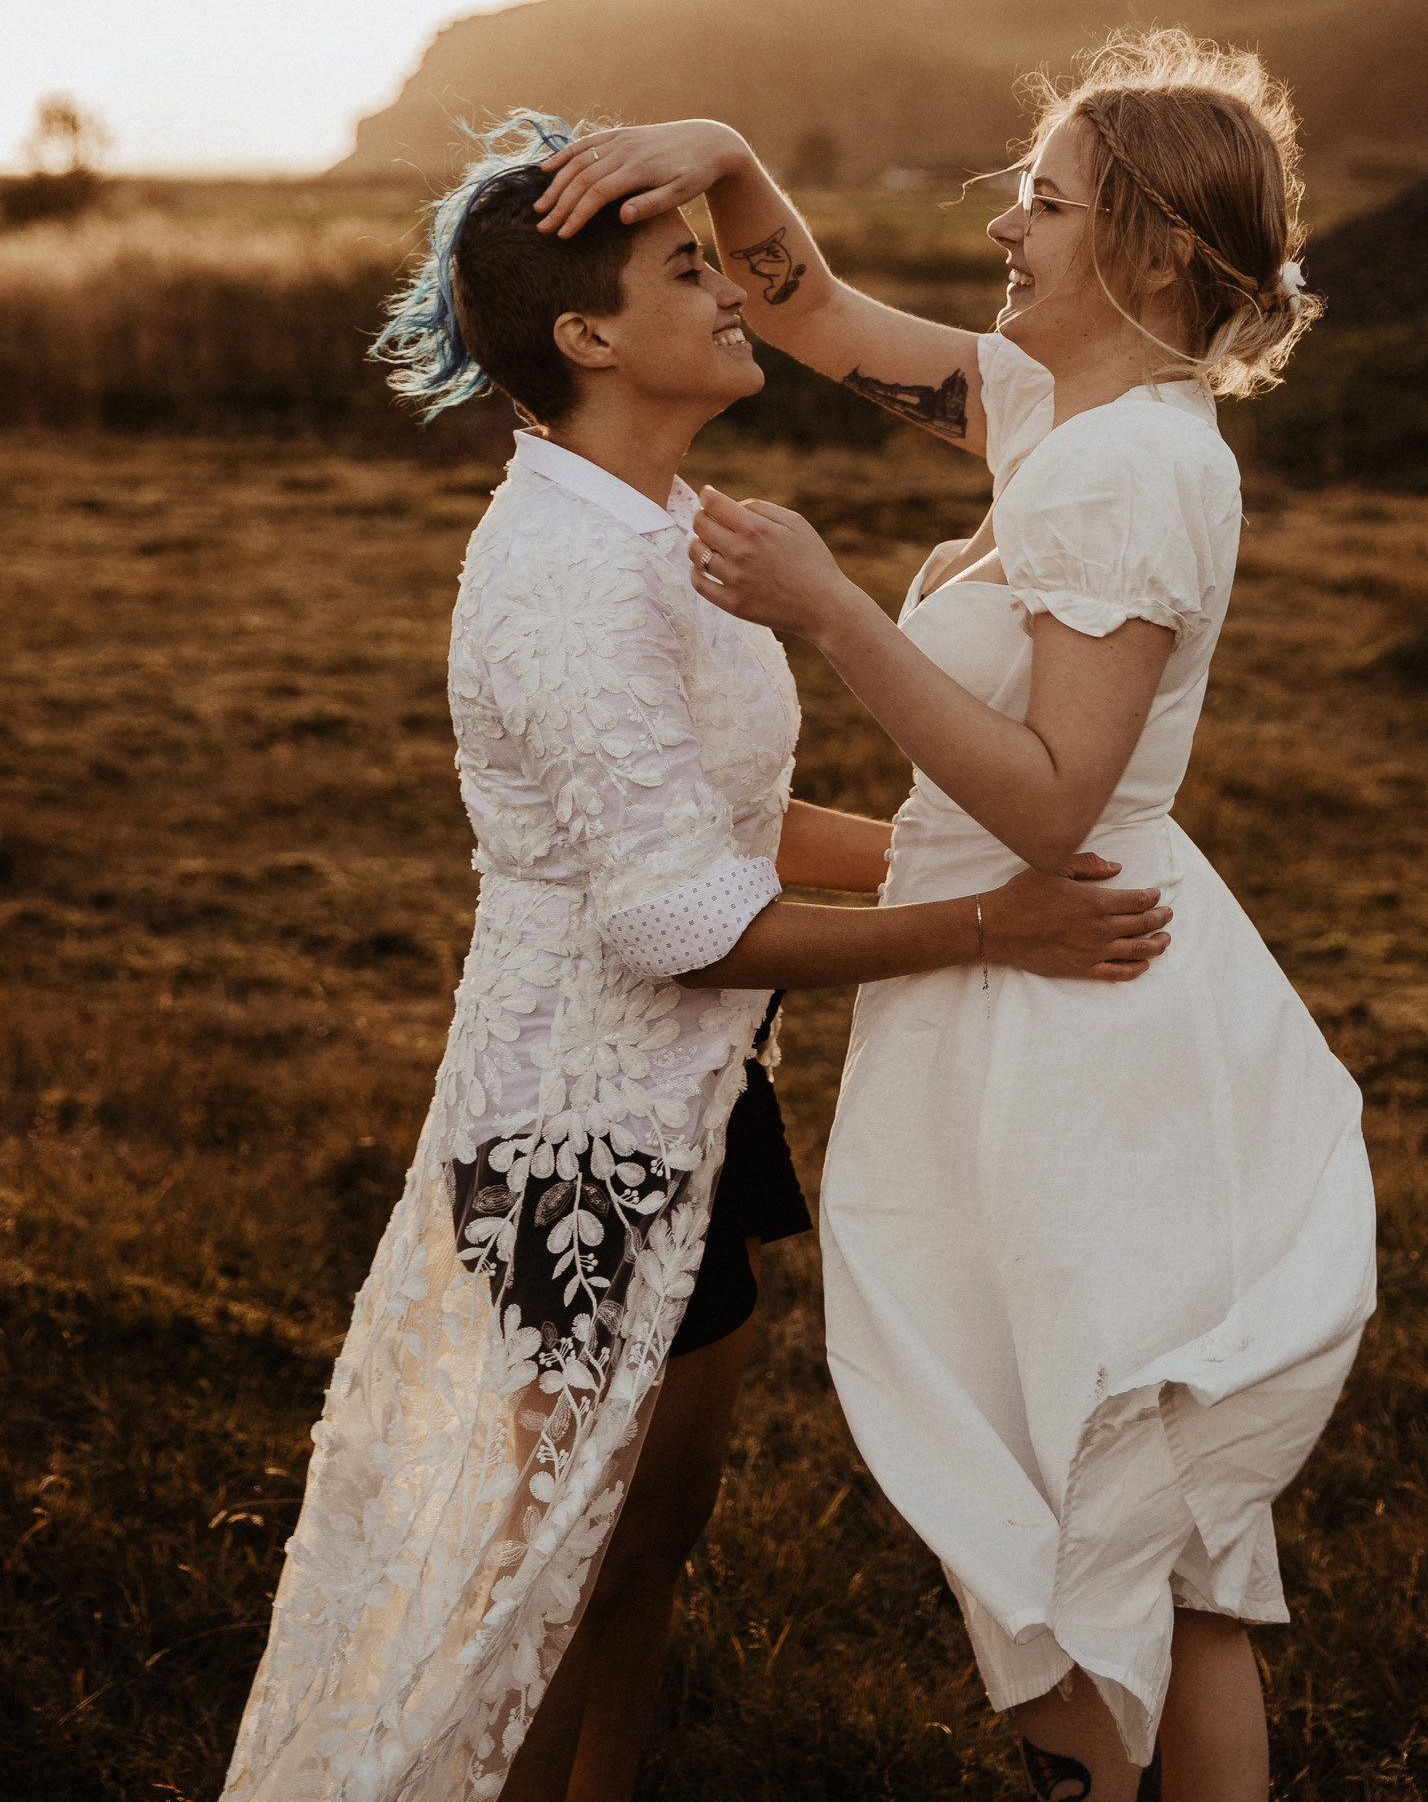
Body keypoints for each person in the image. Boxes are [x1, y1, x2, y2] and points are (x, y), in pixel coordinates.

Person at [220, 116, 1172, 1802]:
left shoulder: (669, 525)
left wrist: (983, 854)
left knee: (647, 1547)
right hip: (569, 1139)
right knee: (540, 1578)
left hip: (698, 1111)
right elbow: (682, 925)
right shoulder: (570, 581)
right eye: (686, 273)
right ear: (589, 338)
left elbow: (733, 818)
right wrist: (981, 925)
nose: (731, 291)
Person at [531, 30, 1379, 1802]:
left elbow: (1052, 797)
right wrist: (727, 149)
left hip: (1078, 1011)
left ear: (1149, 255)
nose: (1007, 227)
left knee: (1074, 1488)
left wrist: (837, 612)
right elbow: (824, 316)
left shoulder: (1137, 471)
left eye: (1045, 203)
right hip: (1060, 995)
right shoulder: (1061, 410)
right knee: (1154, 1539)